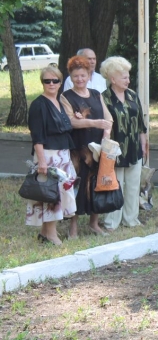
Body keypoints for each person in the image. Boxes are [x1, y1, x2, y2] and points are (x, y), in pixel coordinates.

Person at [60, 56, 113, 238]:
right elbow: (71, 122)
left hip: (98, 149)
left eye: (83, 75)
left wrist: (106, 136)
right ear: (71, 77)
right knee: (77, 185)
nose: (80, 79)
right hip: (78, 150)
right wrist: (95, 123)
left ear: (89, 75)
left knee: (96, 185)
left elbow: (109, 119)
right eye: (76, 76)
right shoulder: (66, 96)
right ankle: (73, 227)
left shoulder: (97, 94)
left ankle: (94, 223)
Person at [26, 66, 77, 245]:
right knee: (50, 194)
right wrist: (41, 161)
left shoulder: (59, 102)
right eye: (47, 81)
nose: (51, 84)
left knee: (58, 194)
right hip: (47, 155)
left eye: (55, 80)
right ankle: (51, 233)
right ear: (42, 82)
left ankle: (44, 233)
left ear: (60, 82)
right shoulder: (38, 105)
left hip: (62, 154)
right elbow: (37, 136)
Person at [101, 57, 148, 230]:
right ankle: (112, 222)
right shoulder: (104, 98)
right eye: (124, 77)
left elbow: (141, 124)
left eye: (128, 77)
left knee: (134, 185)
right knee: (115, 185)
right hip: (115, 148)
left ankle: (131, 219)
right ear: (113, 79)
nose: (128, 80)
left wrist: (144, 144)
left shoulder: (132, 95)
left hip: (134, 147)